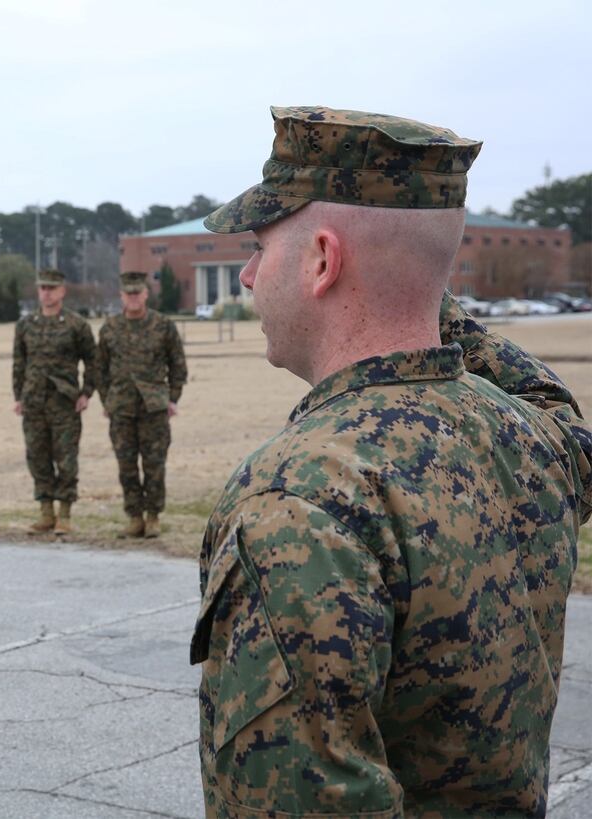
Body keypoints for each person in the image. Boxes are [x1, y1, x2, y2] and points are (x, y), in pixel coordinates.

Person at [190, 106, 592, 816]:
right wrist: (416, 273)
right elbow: (553, 405)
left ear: (321, 260)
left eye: (259, 245)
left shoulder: (299, 498)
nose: (248, 275)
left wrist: (410, 274)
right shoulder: (533, 440)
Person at [97, 271, 187, 538]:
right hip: (121, 408)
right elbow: (99, 368)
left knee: (154, 465)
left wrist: (172, 398)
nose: (133, 298)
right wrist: (107, 400)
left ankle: (153, 516)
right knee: (126, 466)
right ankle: (134, 516)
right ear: (122, 296)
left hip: (154, 407)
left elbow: (177, 365)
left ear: (146, 295)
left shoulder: (163, 325)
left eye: (138, 293)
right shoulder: (110, 328)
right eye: (129, 294)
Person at [11, 268, 97, 534]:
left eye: (51, 288)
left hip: (65, 402)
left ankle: (65, 515)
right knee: (38, 456)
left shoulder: (76, 324)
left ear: (62, 291)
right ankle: (46, 513)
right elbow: (19, 362)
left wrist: (86, 392)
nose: (46, 293)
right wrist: (19, 396)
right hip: (34, 400)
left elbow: (93, 361)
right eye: (42, 288)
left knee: (66, 458)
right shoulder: (26, 324)